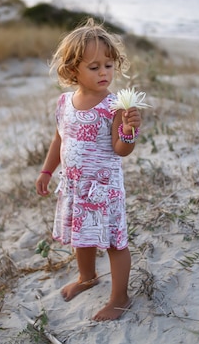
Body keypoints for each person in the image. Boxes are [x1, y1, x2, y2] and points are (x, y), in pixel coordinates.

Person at [35, 18, 141, 321]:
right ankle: (86, 277)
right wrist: (46, 171)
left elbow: (121, 151)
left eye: (109, 65)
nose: (104, 73)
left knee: (112, 241)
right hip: (75, 186)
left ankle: (120, 297)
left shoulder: (114, 107)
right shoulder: (64, 103)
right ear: (72, 71)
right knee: (81, 236)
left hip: (103, 189)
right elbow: (59, 137)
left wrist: (129, 131)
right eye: (94, 67)